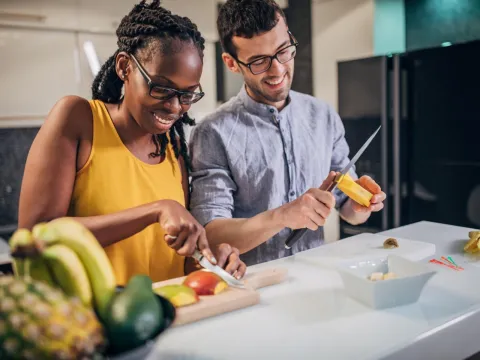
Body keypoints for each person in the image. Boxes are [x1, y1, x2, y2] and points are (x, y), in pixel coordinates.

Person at [17, 0, 246, 286]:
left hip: (169, 317)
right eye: (161, 88)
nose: (175, 107)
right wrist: (154, 210)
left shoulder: (174, 147)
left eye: (187, 95)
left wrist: (214, 259)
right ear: (125, 67)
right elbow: (34, 238)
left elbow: (180, 259)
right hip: (94, 323)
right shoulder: (79, 119)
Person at [188, 0, 386, 266]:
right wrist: (282, 216)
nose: (278, 70)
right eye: (259, 61)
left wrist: (360, 206)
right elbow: (211, 236)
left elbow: (348, 210)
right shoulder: (212, 132)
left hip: (317, 278)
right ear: (232, 63)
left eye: (283, 51)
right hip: (252, 288)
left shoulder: (323, 116)